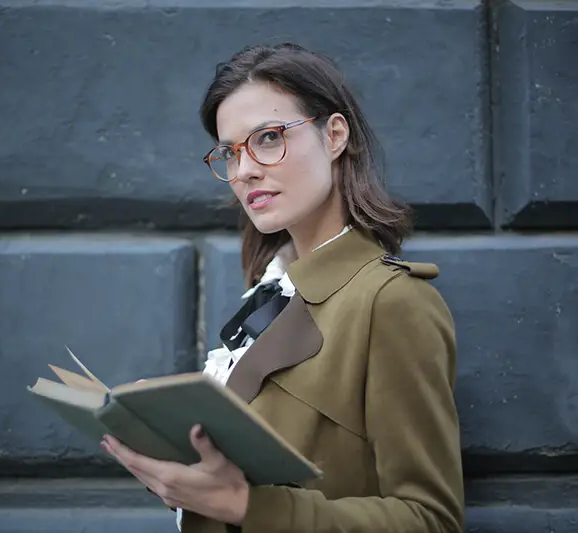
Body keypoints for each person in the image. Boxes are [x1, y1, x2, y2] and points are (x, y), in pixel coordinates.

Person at [100, 42, 464, 533]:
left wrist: (247, 507)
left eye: (268, 138)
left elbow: (431, 520)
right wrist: (177, 456)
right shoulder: (270, 290)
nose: (244, 168)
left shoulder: (392, 301)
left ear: (334, 135)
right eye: (230, 152)